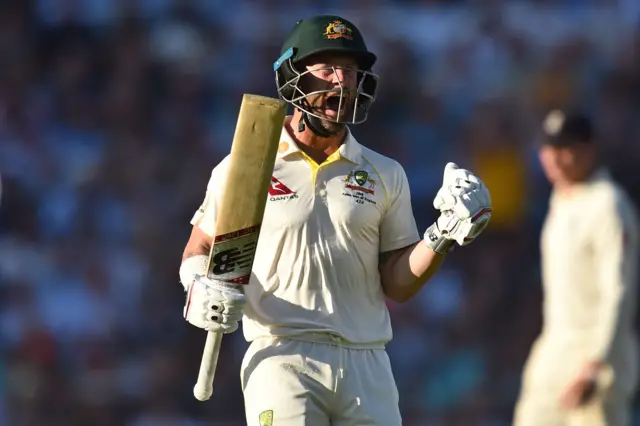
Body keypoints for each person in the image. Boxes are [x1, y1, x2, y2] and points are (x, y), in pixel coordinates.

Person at [179, 15, 492, 426]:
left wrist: (442, 234)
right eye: (327, 69)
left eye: (350, 70)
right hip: (282, 353)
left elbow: (397, 283)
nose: (341, 81)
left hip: (367, 360)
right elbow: (199, 247)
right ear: (294, 76)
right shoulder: (248, 164)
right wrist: (200, 283)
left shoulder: (385, 172)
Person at [513, 110, 639, 426]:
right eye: (548, 149)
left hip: (596, 355)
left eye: (565, 148)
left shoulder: (608, 204)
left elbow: (619, 291)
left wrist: (595, 364)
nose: (554, 158)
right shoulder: (560, 200)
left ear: (588, 150)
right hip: (554, 350)